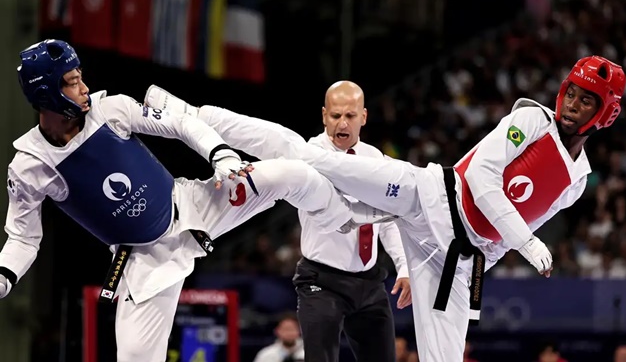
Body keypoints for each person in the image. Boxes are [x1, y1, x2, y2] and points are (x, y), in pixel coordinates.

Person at [144, 55, 626, 362]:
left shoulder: (578, 182)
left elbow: (507, 233)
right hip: (428, 198)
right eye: (573, 95)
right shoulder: (530, 120)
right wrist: (528, 242)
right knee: (302, 156)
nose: (573, 106)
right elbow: (479, 178)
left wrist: (483, 259)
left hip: (454, 263)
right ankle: (191, 116)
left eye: (588, 102)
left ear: (604, 113)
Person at [0, 40, 391, 362]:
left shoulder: (111, 108)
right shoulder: (30, 167)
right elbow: (22, 239)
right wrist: (4, 276)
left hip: (197, 204)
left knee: (295, 172)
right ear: (45, 92)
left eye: (80, 76)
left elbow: (179, 124)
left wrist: (218, 153)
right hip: (144, 260)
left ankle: (350, 216)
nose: (83, 87)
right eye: (71, 82)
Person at [292, 81, 410, 362]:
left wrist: (404, 267)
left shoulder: (376, 159)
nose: (341, 124)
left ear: (364, 117)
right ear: (324, 116)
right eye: (335, 116)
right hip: (322, 281)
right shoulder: (308, 158)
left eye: (350, 116)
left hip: (369, 283)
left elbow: (389, 219)